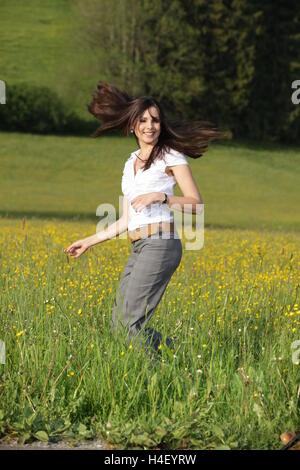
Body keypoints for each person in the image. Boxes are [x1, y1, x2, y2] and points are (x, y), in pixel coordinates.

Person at [64, 81, 223, 361]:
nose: (150, 126)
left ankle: (157, 375)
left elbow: (196, 204)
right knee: (118, 325)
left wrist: (160, 197)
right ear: (132, 125)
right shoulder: (129, 165)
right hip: (139, 246)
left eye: (156, 120)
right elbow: (127, 218)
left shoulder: (170, 154)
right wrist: (89, 241)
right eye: (144, 120)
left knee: (128, 324)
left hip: (161, 245)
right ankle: (179, 354)